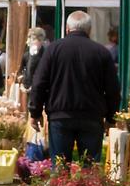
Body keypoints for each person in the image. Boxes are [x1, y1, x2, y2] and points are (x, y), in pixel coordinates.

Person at [28, 11, 120, 163]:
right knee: (90, 169)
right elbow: (113, 89)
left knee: (60, 167)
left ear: (67, 29)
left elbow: (39, 83)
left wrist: (35, 112)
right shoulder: (102, 52)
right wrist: (111, 117)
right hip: (92, 115)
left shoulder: (54, 49)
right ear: (89, 30)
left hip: (60, 115)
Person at [19, 28, 46, 92]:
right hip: (28, 88)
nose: (27, 42)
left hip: (40, 89)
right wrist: (23, 83)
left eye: (32, 39)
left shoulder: (45, 55)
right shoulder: (26, 55)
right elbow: (23, 70)